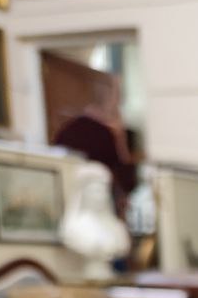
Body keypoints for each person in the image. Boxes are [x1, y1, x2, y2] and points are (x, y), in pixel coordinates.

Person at [52, 75, 137, 216]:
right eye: (117, 100)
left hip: (69, 210)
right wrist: (120, 138)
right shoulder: (106, 135)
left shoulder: (65, 131)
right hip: (100, 213)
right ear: (109, 100)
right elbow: (128, 183)